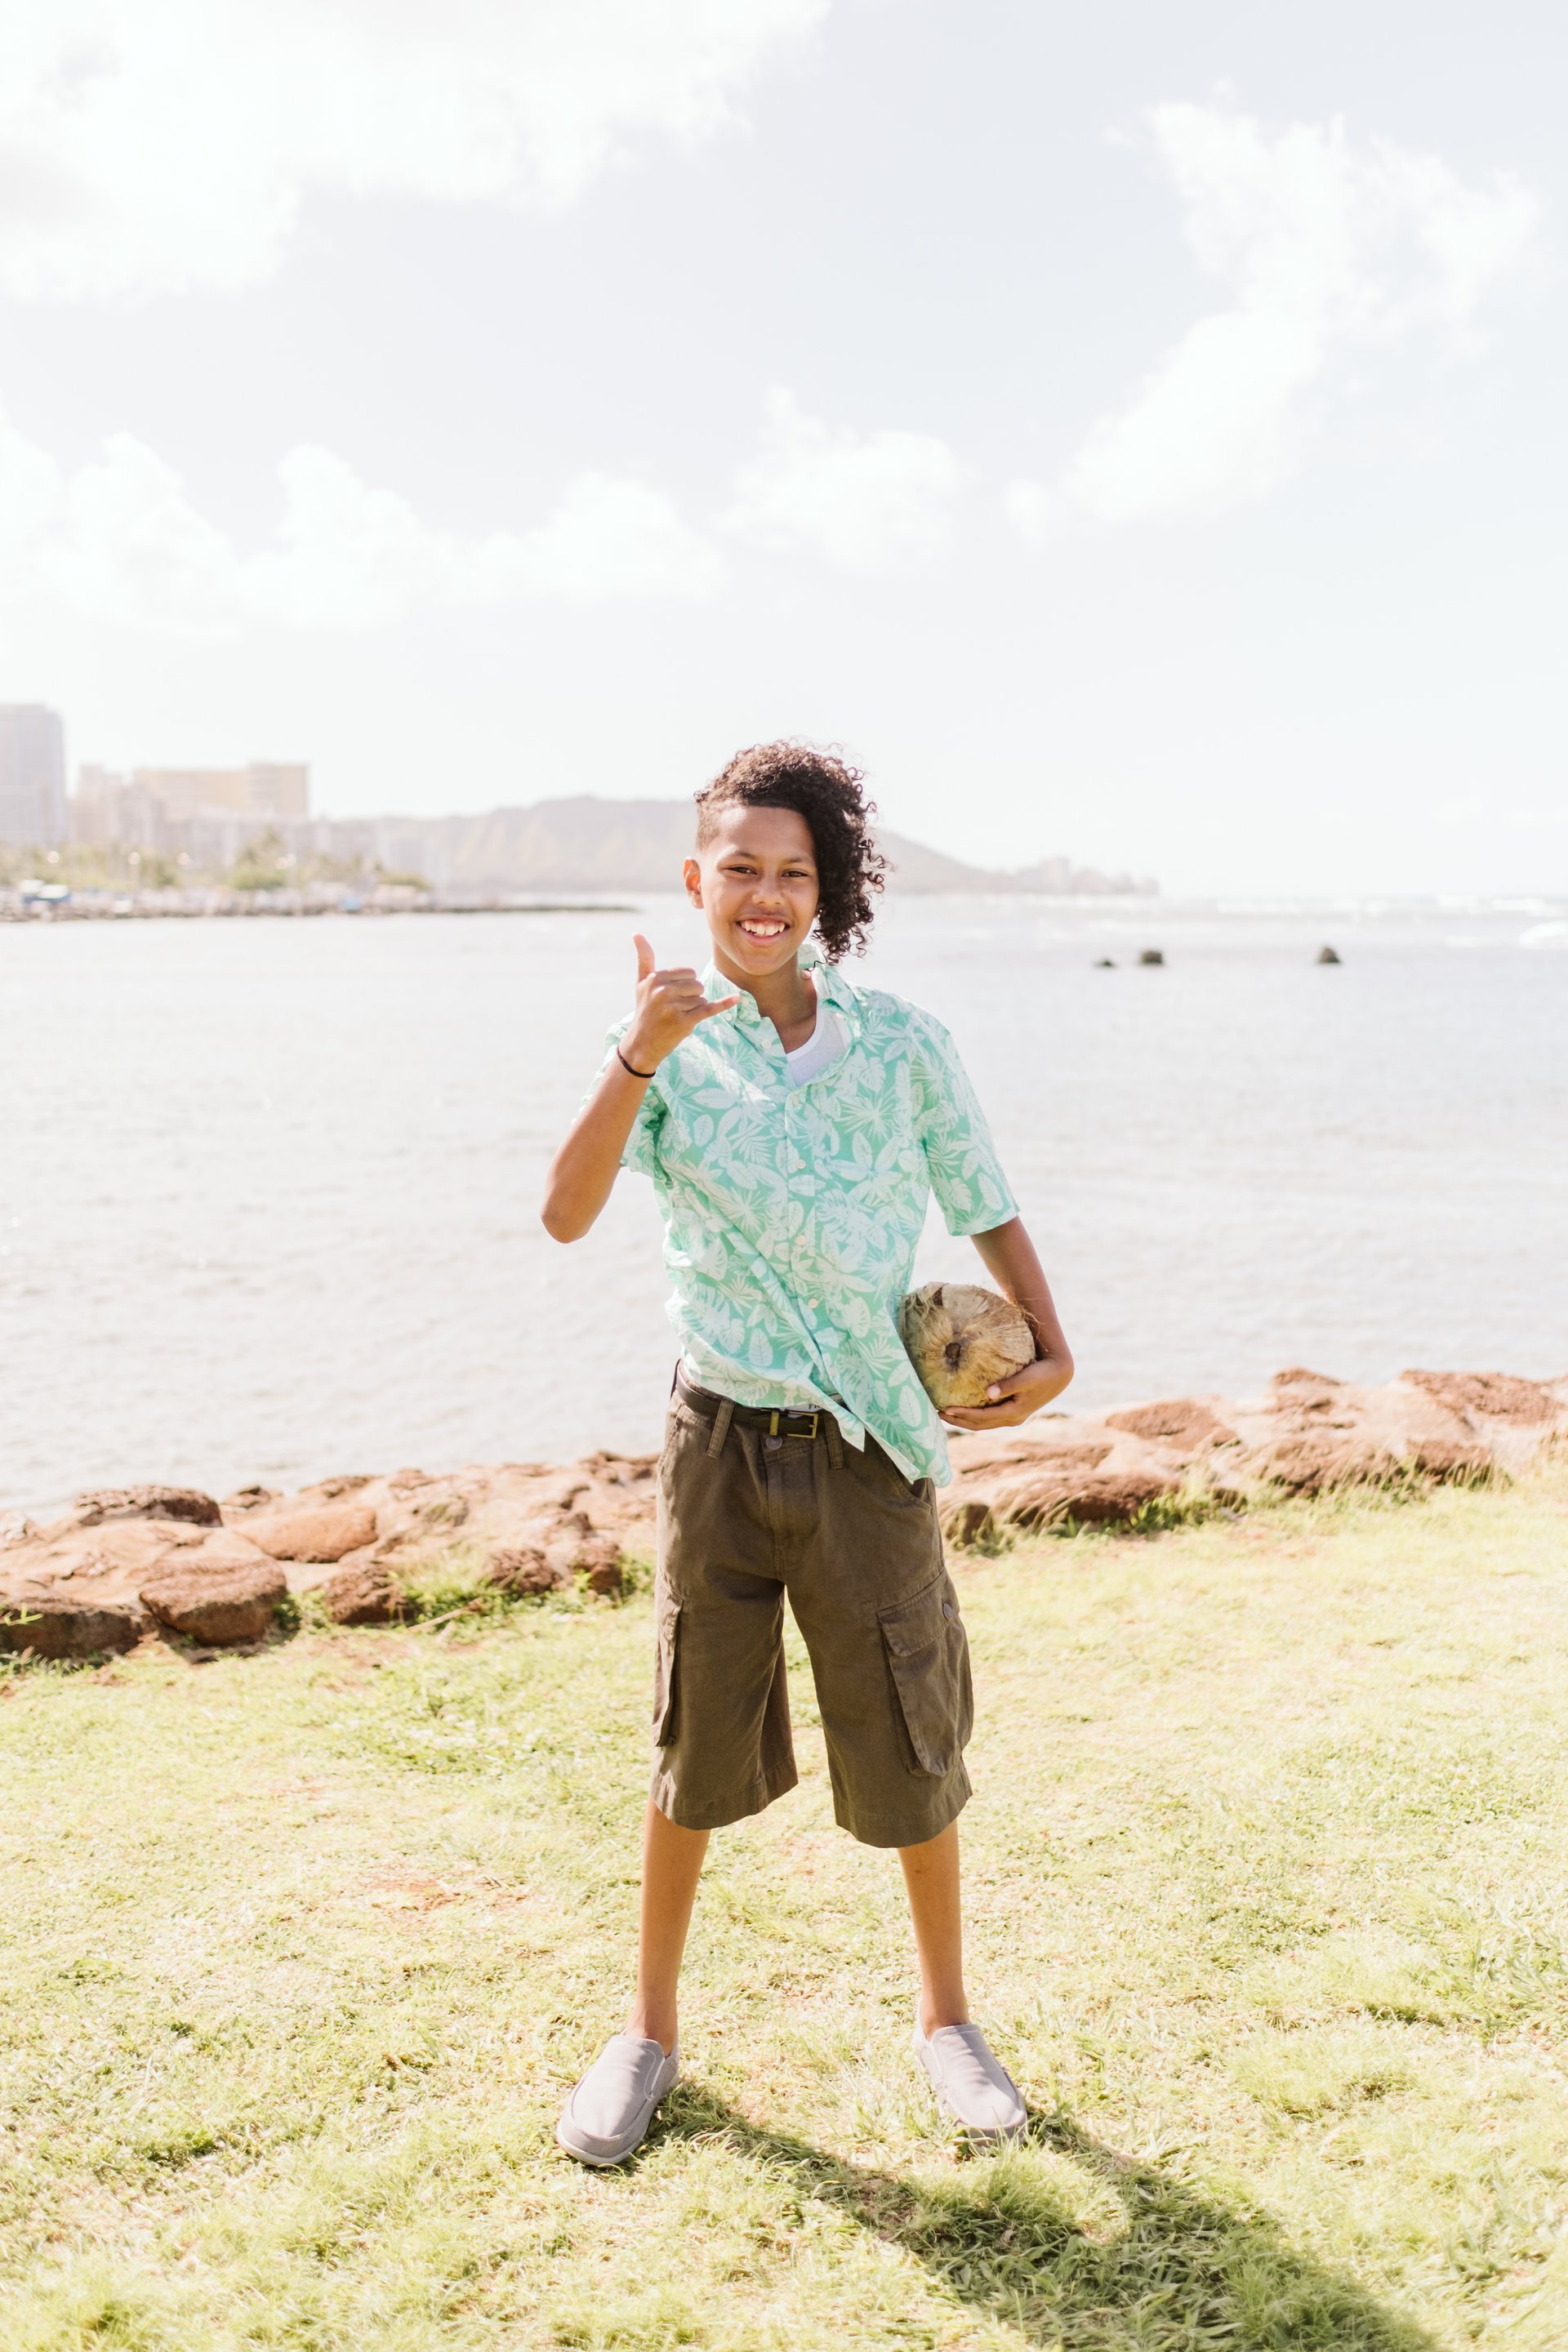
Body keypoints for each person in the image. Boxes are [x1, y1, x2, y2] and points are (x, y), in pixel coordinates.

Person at [541, 742, 1072, 2166]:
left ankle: (948, 2022)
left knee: (911, 1740)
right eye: (742, 869)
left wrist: (1055, 1344)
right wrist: (637, 1051)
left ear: (827, 891)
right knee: (691, 1746)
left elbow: (984, 1198)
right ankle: (646, 2035)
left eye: (794, 872)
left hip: (870, 1449)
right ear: (697, 881)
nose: (765, 894)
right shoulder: (664, 1049)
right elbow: (565, 1212)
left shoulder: (902, 1045)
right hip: (717, 1442)